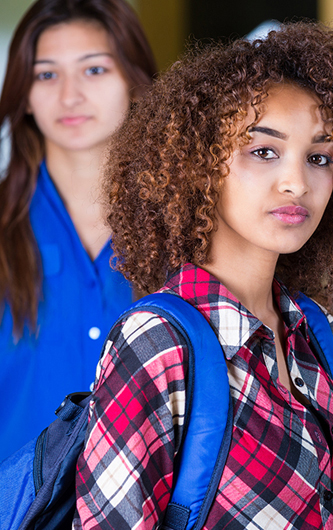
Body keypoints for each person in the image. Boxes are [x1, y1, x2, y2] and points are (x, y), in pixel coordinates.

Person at [73, 22, 333, 529]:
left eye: (320, 157)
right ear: (197, 165)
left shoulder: (312, 328)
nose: (297, 182)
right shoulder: (157, 343)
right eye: (264, 151)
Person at [0, 0, 156, 461]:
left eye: (93, 70)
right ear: (24, 93)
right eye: (46, 75)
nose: (69, 96)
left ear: (132, 78)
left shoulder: (190, 225)